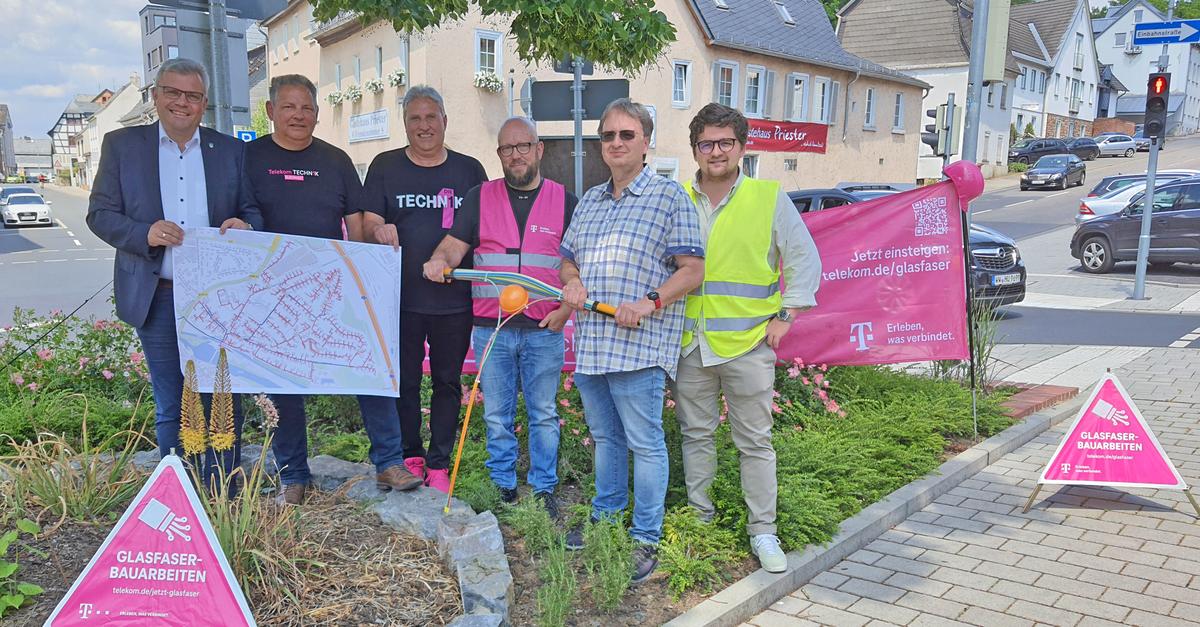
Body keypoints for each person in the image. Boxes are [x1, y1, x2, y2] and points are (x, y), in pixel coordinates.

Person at [244, 74, 422, 505]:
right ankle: (294, 476)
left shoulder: (336, 159)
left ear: (318, 114)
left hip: (331, 285)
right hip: (273, 291)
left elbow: (358, 221)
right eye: (289, 107)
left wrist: (373, 250)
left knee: (370, 361)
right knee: (283, 383)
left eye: (307, 108)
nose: (298, 116)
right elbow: (235, 212)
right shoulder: (247, 158)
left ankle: (389, 462)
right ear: (270, 111)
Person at [86, 57, 261, 487]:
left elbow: (251, 209)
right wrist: (144, 233)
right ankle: (178, 492)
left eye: (193, 96)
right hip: (157, 293)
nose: (182, 103)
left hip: (217, 296)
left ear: (205, 103)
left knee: (223, 396)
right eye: (173, 92)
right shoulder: (122, 146)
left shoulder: (231, 150)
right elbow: (99, 214)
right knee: (172, 400)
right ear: (156, 96)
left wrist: (246, 226)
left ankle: (223, 492)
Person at [559, 98, 705, 583]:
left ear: (645, 142)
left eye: (626, 135)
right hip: (594, 345)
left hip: (640, 348)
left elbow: (693, 269)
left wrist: (649, 303)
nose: (616, 143)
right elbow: (568, 260)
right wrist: (572, 281)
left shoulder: (669, 198)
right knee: (605, 439)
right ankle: (605, 520)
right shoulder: (591, 202)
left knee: (645, 445)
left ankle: (645, 537)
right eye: (608, 136)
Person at [674, 103, 821, 573]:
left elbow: (803, 259)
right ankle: (700, 521)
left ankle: (764, 532)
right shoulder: (678, 197)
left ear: (741, 147)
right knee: (695, 435)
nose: (715, 152)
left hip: (748, 343)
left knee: (754, 443)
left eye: (725, 143)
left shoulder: (767, 197)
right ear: (694, 148)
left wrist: (786, 315)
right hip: (691, 344)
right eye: (706, 144)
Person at [422, 116, 576, 518]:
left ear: (539, 149)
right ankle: (503, 486)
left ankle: (544, 489)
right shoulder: (479, 197)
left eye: (523, 146)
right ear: (500, 155)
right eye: (507, 149)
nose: (516, 155)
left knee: (543, 414)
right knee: (496, 414)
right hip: (492, 330)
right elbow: (454, 246)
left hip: (544, 328)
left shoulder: (565, 200)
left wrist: (564, 310)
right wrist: (439, 261)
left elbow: (576, 265)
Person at [362, 86, 487, 493]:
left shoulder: (470, 171)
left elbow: (485, 230)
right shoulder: (384, 166)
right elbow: (365, 226)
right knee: (405, 381)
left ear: (445, 121)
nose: (424, 126)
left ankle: (439, 463)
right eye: (415, 118)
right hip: (399, 300)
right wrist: (376, 230)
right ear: (405, 124)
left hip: (454, 301)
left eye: (431, 117)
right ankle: (409, 455)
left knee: (449, 382)